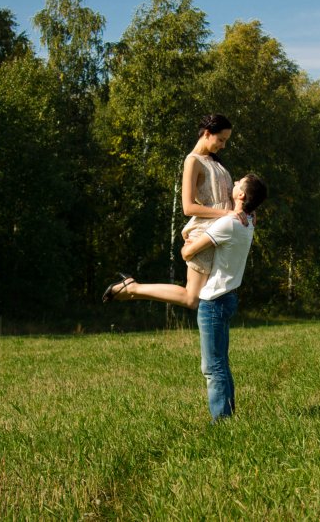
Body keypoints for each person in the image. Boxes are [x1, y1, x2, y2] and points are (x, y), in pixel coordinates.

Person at [102, 114, 243, 308]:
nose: (223, 145)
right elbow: (188, 207)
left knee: (209, 293)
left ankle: (133, 288)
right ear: (208, 134)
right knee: (191, 299)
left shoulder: (216, 162)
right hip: (205, 232)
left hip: (220, 232)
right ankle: (133, 288)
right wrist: (227, 214)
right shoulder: (192, 161)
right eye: (221, 140)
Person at [180, 174, 267, 421]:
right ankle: (228, 415)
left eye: (238, 183)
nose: (233, 184)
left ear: (240, 195)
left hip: (213, 302)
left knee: (213, 366)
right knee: (221, 362)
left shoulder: (227, 224)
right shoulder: (248, 222)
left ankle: (222, 422)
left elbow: (188, 253)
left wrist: (188, 240)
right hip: (228, 298)